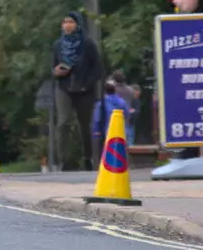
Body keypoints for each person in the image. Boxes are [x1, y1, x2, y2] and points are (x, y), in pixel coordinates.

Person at [51, 11, 101, 171]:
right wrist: (56, 71)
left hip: (84, 89)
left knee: (84, 125)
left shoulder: (87, 44)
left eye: (71, 22)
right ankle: (63, 161)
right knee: (63, 122)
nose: (67, 25)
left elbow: (98, 68)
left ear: (77, 25)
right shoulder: (58, 45)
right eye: (64, 22)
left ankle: (87, 158)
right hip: (64, 87)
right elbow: (52, 66)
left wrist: (87, 84)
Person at [90, 81, 133, 167]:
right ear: (115, 90)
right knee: (121, 149)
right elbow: (127, 114)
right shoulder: (121, 102)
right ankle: (122, 166)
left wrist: (96, 130)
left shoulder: (101, 103)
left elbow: (97, 118)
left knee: (106, 150)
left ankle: (105, 166)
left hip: (106, 130)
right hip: (121, 129)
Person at [108, 70, 141, 146]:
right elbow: (134, 101)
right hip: (126, 119)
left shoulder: (112, 90)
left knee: (114, 146)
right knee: (128, 145)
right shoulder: (130, 90)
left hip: (113, 121)